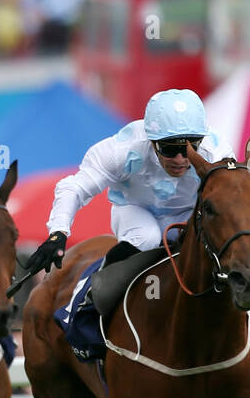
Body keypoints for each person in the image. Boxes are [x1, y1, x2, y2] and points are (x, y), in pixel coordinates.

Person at [25, 88, 232, 275]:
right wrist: (58, 233)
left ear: (200, 142)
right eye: (169, 149)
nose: (180, 159)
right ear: (151, 140)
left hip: (190, 214)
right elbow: (74, 187)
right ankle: (93, 290)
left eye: (189, 147)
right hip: (135, 211)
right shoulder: (122, 150)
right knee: (147, 237)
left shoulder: (216, 152)